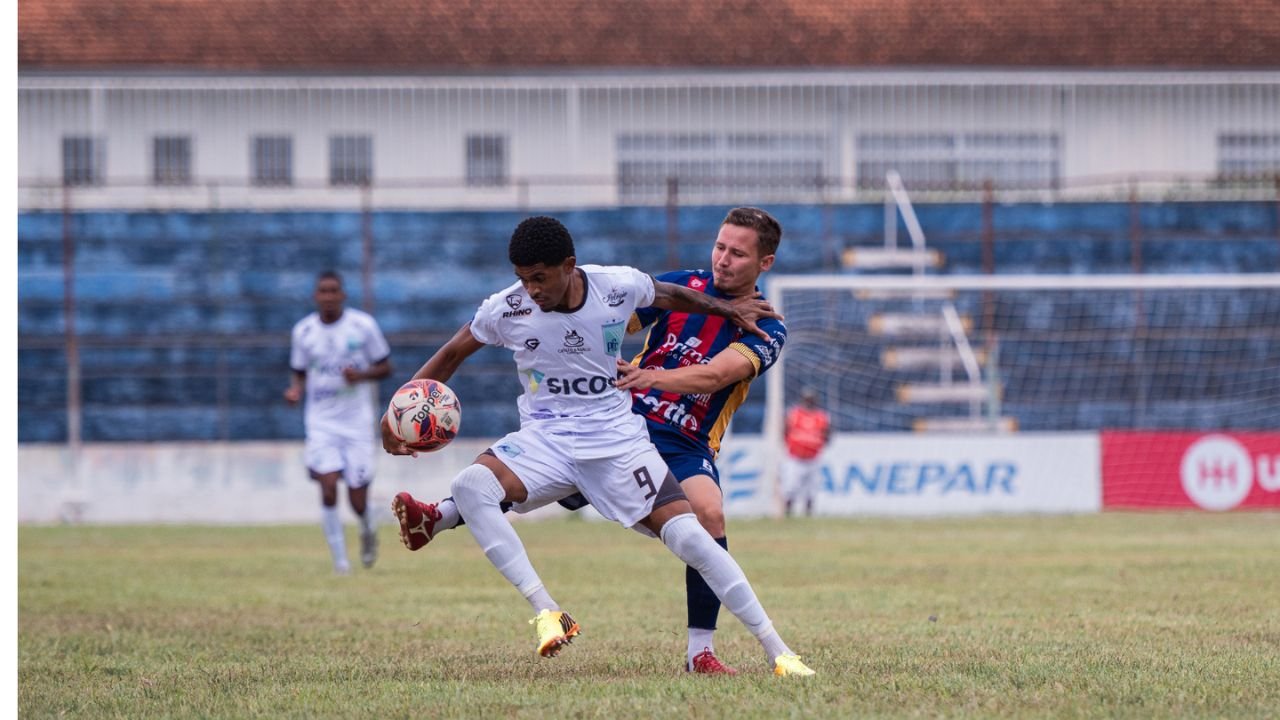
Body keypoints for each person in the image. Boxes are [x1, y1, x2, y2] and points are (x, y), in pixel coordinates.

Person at [384, 216, 814, 676]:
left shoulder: (764, 326)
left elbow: (713, 375)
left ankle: (745, 652)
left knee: (702, 523)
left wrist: (702, 334)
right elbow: (633, 312)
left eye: (738, 253)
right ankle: (545, 608)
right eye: (720, 246)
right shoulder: (512, 306)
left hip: (657, 438)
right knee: (473, 484)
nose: (723, 259)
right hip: (584, 426)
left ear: (765, 262)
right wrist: (397, 411)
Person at [285, 270, 392, 575]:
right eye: (323, 291)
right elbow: (299, 372)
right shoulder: (304, 331)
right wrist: (295, 390)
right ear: (316, 296)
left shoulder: (363, 326)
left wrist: (361, 375)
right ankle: (341, 562)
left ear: (342, 295)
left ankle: (367, 527)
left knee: (357, 501)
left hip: (357, 423)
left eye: (334, 291)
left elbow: (385, 366)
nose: (329, 296)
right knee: (328, 487)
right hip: (321, 423)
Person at [782, 389, 831, 517]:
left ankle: (808, 514)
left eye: (811, 400)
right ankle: (787, 512)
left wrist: (816, 443)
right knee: (791, 486)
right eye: (807, 400)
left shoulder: (821, 417)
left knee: (811, 489)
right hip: (796, 458)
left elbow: (827, 434)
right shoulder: (794, 414)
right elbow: (785, 431)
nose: (809, 402)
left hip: (813, 458)